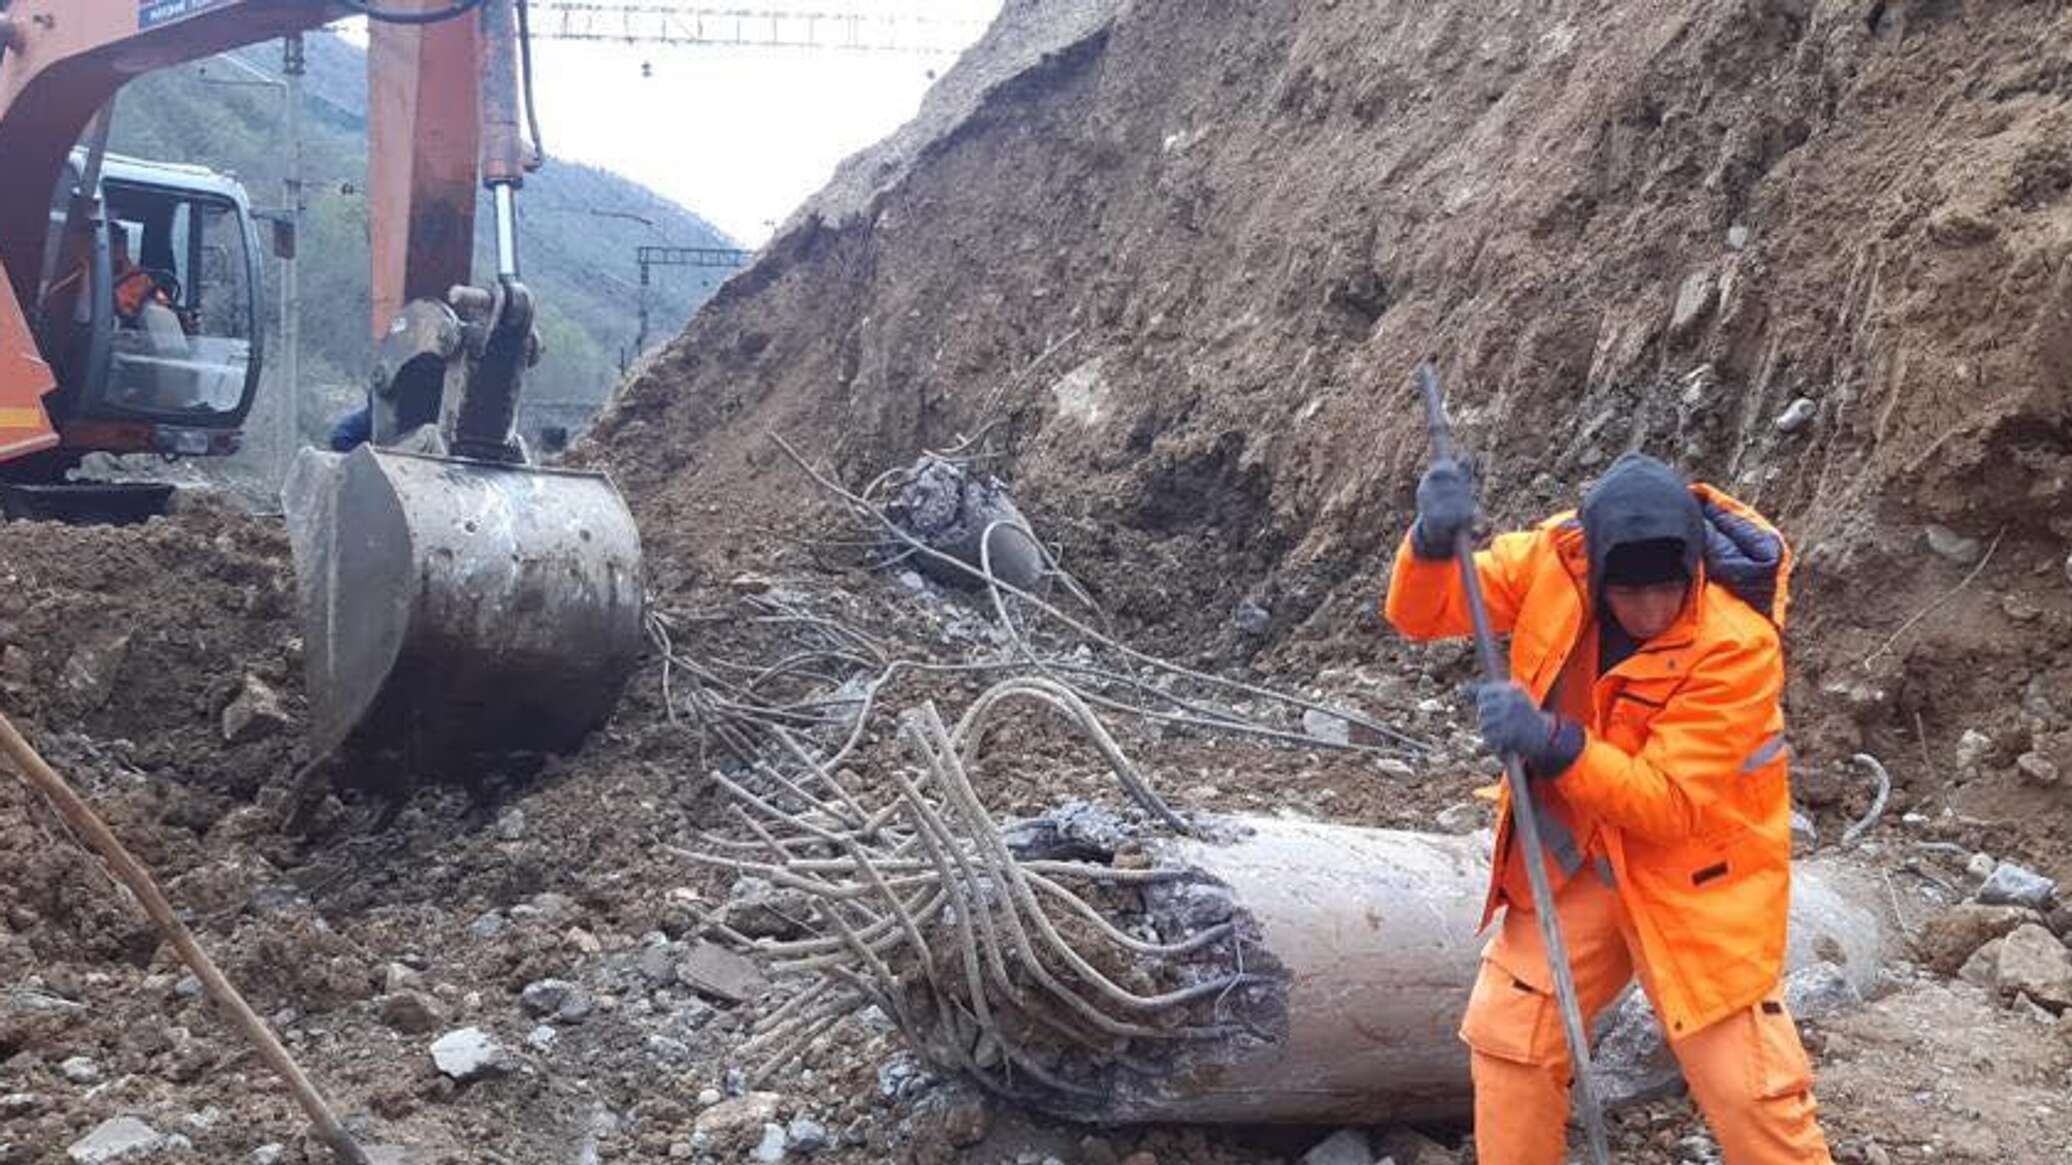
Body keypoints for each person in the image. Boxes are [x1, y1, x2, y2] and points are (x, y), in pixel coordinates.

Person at [1384, 451, 1832, 1165]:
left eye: (1667, 589)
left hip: (1698, 878)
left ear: (1693, 568)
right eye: (1629, 593)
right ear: (1593, 570)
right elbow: (1425, 612)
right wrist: (1434, 543)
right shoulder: (1553, 561)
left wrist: (1551, 741)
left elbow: (1672, 802)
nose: (1651, 611)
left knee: (1751, 1094)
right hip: (1578, 861)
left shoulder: (1735, 643)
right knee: (1512, 1040)